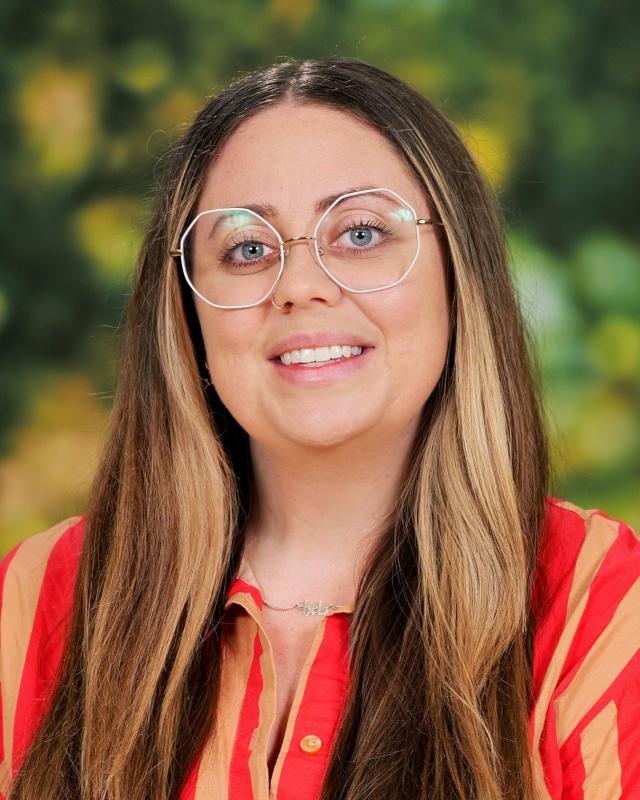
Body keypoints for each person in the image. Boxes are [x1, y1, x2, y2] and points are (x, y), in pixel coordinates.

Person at [0, 56, 638, 800]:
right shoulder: (41, 598)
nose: (301, 286)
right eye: (245, 249)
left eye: (361, 233)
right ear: (186, 311)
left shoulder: (601, 604)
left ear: (459, 271)